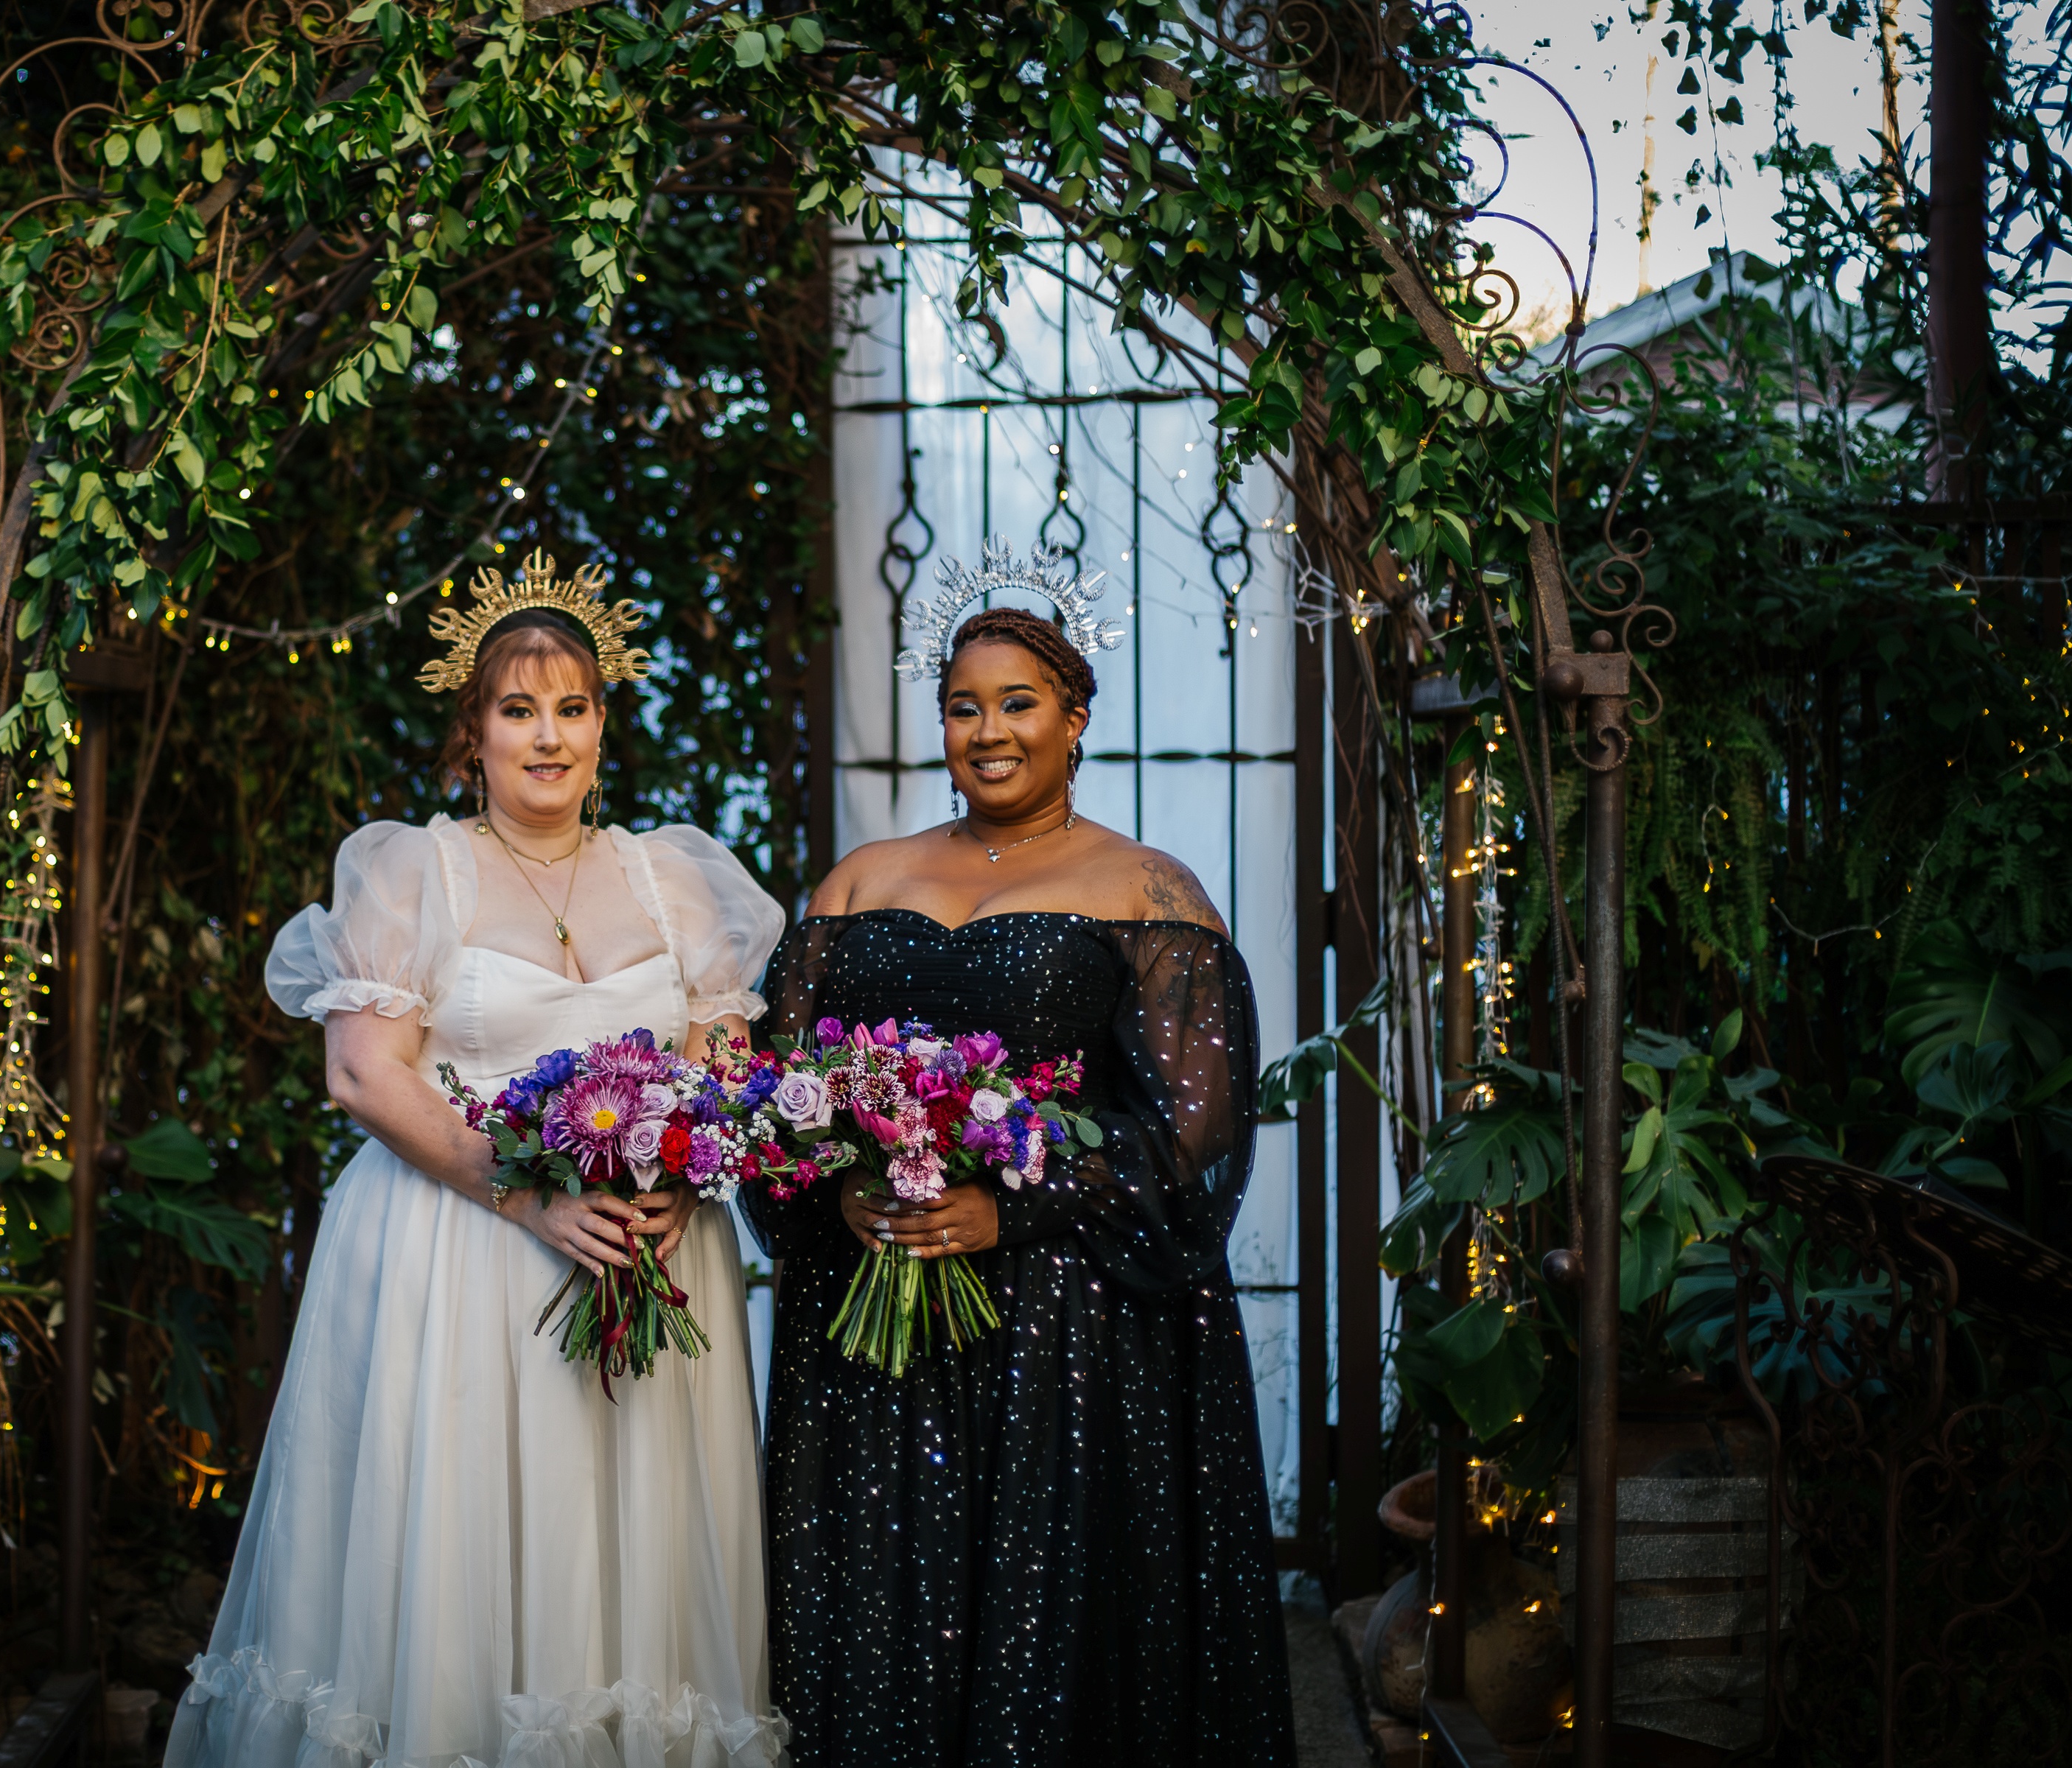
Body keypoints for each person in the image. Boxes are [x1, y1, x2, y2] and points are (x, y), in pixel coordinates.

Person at [167, 554, 789, 1768]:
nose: (548, 737)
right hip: (456, 1250)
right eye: (518, 710)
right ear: (474, 733)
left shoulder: (674, 882)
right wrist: (524, 1196)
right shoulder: (414, 871)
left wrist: (682, 1169)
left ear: (604, 724)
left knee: (629, 1533)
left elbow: (723, 1064)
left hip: (647, 1248)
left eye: (572, 708)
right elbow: (364, 1073)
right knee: (465, 1529)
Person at [745, 594, 1296, 1766]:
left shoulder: (1149, 890)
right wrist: (834, 1191)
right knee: (882, 1618)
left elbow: (1198, 1136)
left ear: (1075, 718)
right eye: (963, 708)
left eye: (1018, 704)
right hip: (870, 1334)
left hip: (1063, 1336)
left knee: (1045, 1630)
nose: (988, 731)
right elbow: (773, 1096)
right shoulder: (857, 883)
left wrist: (1016, 1205)